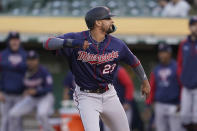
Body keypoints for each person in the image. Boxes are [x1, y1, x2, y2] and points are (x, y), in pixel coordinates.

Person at [43, 6, 150, 131]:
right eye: (108, 18)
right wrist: (72, 43)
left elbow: (135, 62)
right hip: (86, 96)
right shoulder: (77, 38)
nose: (112, 21)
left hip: (109, 94)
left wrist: (144, 81)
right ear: (98, 22)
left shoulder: (118, 44)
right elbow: (47, 43)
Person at [8, 50, 54, 131]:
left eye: (33, 59)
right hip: (32, 98)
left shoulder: (43, 71)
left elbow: (49, 88)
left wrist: (36, 91)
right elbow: (20, 86)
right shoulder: (23, 71)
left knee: (42, 114)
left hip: (45, 97)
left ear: (37, 60)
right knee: (13, 114)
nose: (31, 62)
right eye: (29, 59)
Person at [146, 43, 183, 131]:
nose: (161, 55)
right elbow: (151, 88)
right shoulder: (156, 69)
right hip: (160, 104)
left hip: (174, 105)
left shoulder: (177, 67)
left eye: (163, 52)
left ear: (169, 53)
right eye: (160, 53)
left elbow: (182, 86)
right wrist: (148, 104)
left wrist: (181, 102)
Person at [0, 32, 27, 131]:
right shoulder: (2, 55)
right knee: (5, 120)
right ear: (9, 41)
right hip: (5, 94)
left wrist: (27, 90)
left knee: (17, 120)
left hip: (20, 94)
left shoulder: (25, 55)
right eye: (12, 40)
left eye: (16, 39)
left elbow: (29, 74)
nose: (14, 42)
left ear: (19, 41)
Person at [177, 16, 197, 131]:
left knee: (196, 116)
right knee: (184, 115)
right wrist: (182, 78)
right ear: (190, 27)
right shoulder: (184, 43)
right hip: (186, 84)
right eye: (194, 25)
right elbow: (180, 63)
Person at [103, 66, 134, 131]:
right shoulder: (99, 70)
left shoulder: (119, 70)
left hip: (122, 106)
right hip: (107, 107)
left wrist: (127, 102)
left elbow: (129, 85)